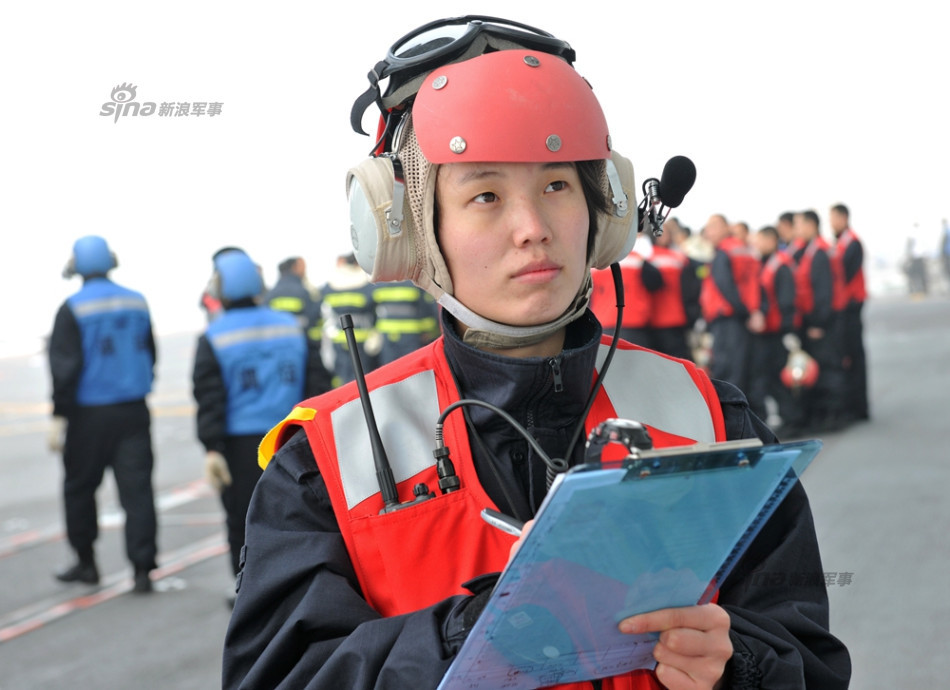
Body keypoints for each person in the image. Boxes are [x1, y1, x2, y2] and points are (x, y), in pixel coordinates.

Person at [223, 16, 850, 690]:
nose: (532, 230)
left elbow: (808, 658)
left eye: (556, 186)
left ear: (603, 211)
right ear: (405, 233)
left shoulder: (710, 419)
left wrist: (739, 664)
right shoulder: (326, 465)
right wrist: (462, 637)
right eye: (485, 196)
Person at [192, 250, 331, 597]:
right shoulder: (291, 326)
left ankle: (247, 590)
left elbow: (209, 397)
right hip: (292, 437)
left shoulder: (214, 336)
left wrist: (211, 447)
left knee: (243, 517)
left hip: (241, 444)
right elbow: (318, 385)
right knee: (302, 513)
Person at [47, 235, 158, 593]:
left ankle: (87, 563)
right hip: (133, 411)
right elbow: (149, 353)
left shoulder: (73, 308)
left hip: (88, 415)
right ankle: (142, 570)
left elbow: (66, 368)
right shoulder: (137, 301)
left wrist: (59, 414)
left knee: (80, 489)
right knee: (137, 492)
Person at [792, 210, 847, 431]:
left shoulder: (819, 253)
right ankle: (824, 415)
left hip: (824, 324)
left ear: (810, 225)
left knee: (828, 369)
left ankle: (834, 416)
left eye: (798, 225)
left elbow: (824, 291)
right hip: (816, 321)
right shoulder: (810, 250)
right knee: (820, 369)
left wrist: (818, 323)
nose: (796, 230)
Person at [747, 225, 804, 435]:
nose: (757, 245)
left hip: (778, 332)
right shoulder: (766, 264)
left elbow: (787, 300)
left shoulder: (780, 265)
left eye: (760, 240)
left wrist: (787, 331)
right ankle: (786, 417)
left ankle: (793, 419)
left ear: (771, 241)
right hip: (768, 332)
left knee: (782, 378)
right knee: (770, 378)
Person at [699, 214, 764, 392]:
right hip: (741, 317)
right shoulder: (744, 250)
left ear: (724, 228)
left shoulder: (724, 252)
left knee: (726, 371)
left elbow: (726, 286)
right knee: (741, 368)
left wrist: (745, 312)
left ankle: (728, 417)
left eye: (712, 227)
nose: (708, 232)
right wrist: (753, 312)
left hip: (729, 318)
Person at [829, 203, 869, 422]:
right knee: (849, 358)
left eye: (834, 218)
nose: (831, 223)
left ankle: (860, 408)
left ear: (844, 218)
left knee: (855, 357)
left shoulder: (852, 243)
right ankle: (853, 406)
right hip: (845, 308)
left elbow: (843, 275)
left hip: (852, 307)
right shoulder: (840, 243)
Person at [319, 252, 380, 386]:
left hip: (338, 342)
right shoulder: (365, 284)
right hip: (362, 343)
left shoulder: (330, 285)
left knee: (342, 382)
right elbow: (375, 312)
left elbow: (325, 313)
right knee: (364, 383)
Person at [590, 242, 661, 349]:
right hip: (633, 324)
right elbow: (656, 283)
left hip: (603, 324)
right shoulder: (637, 260)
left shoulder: (595, 263)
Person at [647, 226, 700, 360]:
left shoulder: (647, 256)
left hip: (667, 318)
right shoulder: (679, 257)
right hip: (663, 318)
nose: (664, 236)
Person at [371, 279, 441, 365]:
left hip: (406, 338)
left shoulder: (379, 285)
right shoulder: (415, 284)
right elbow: (428, 310)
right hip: (400, 339)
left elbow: (428, 310)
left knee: (404, 368)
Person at [266, 256, 325, 344]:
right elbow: (314, 321)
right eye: (303, 267)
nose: (305, 271)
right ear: (295, 268)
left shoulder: (270, 295)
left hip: (277, 346)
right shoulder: (305, 293)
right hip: (303, 345)